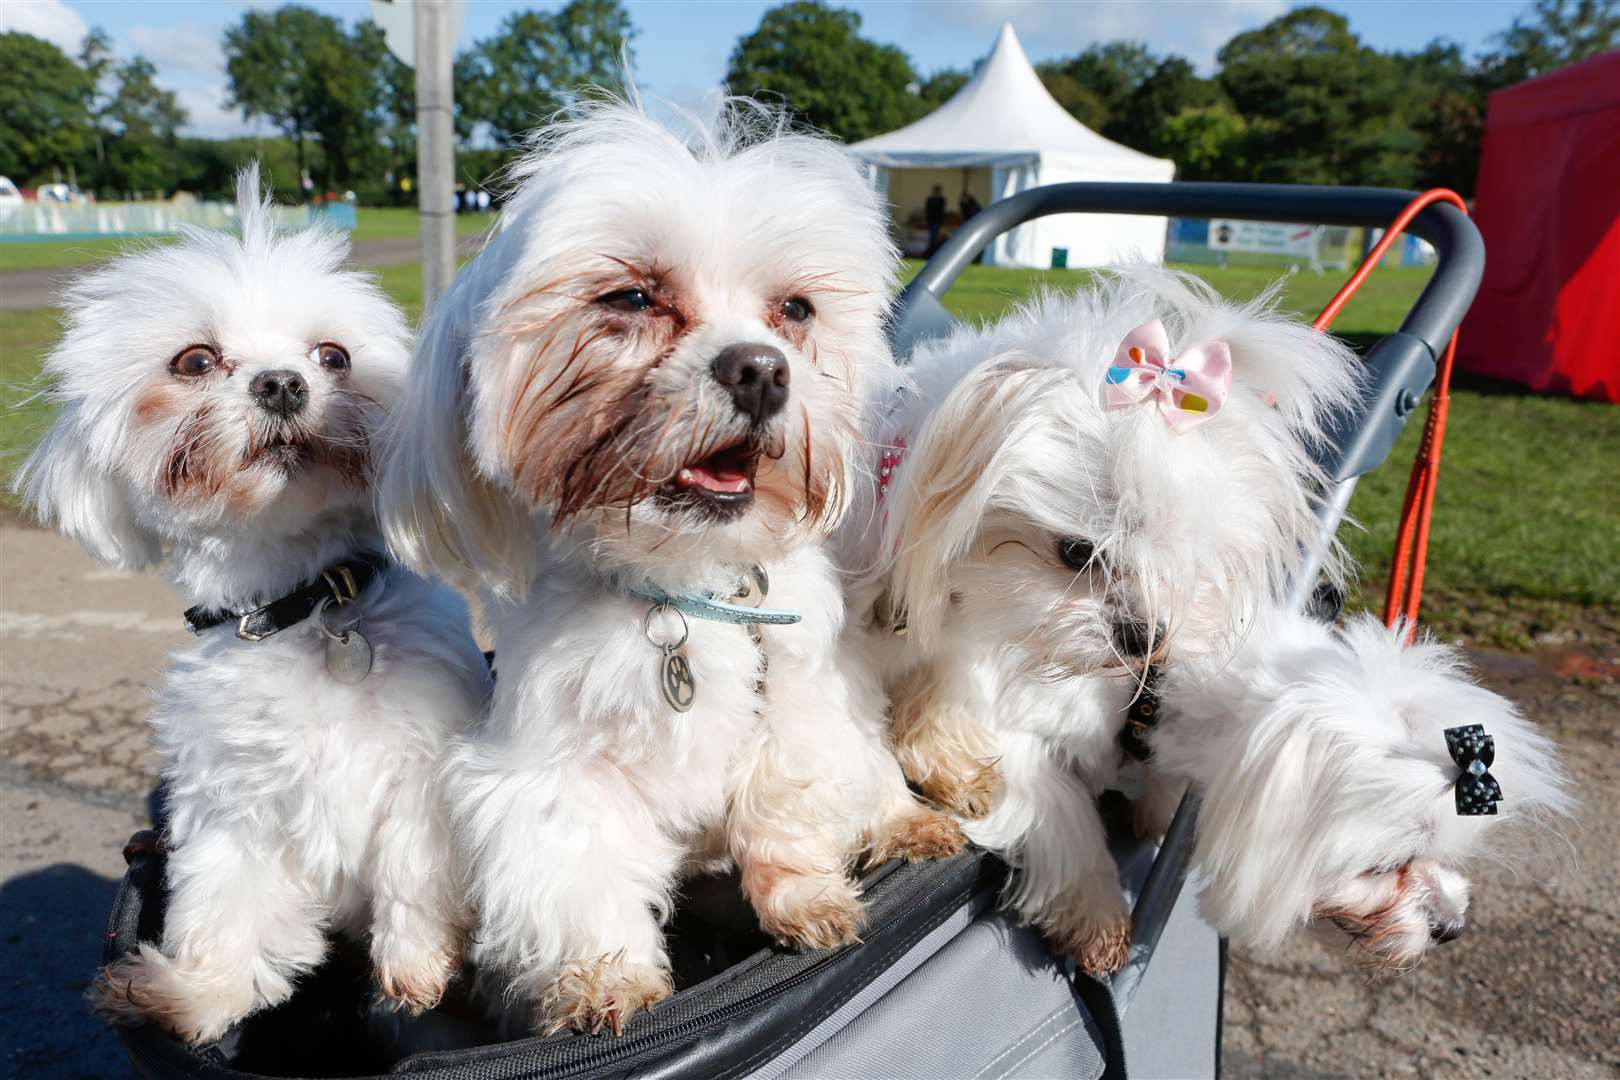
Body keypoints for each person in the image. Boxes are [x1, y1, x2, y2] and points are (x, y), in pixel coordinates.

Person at [925, 184, 947, 253]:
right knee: (932, 237)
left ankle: (933, 251)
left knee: (936, 237)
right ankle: (931, 251)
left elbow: (942, 211)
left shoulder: (941, 200)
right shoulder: (930, 200)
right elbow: (928, 211)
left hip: (938, 222)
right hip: (931, 221)